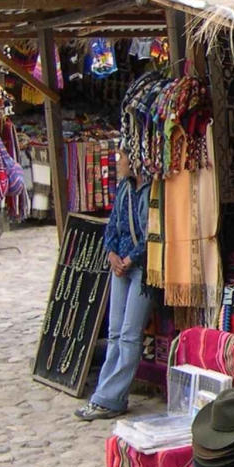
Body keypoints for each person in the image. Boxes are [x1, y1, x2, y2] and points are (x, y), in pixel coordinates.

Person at [75, 151, 154, 421]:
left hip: (140, 269)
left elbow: (153, 233)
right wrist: (111, 254)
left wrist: (131, 258)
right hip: (120, 264)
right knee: (115, 333)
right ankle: (108, 395)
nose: (117, 161)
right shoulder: (123, 188)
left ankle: (108, 398)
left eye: (121, 157)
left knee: (130, 334)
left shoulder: (151, 192)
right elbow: (112, 226)